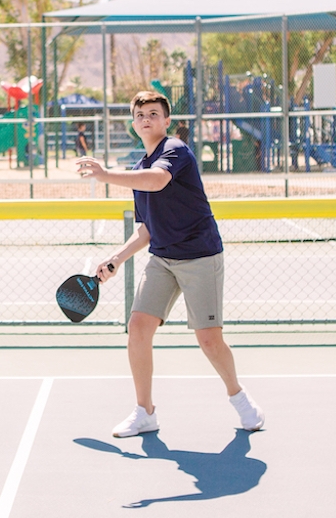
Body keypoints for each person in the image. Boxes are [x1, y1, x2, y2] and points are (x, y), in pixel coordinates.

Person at [74, 90, 264, 438]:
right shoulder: (135, 169)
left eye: (153, 113)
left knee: (209, 340)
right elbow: (147, 228)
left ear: (165, 121)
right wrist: (116, 258)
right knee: (138, 328)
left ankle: (237, 396)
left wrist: (105, 175)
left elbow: (158, 180)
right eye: (140, 114)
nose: (146, 118)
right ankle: (144, 412)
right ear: (134, 124)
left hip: (200, 255)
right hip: (162, 258)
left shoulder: (175, 151)